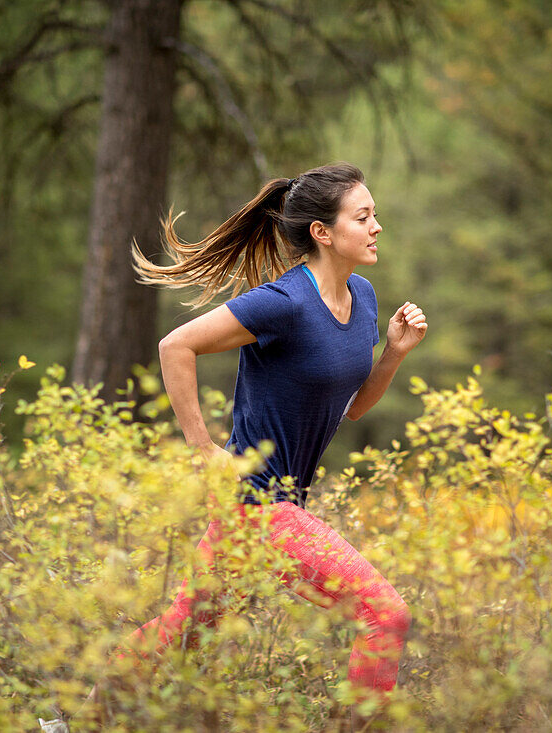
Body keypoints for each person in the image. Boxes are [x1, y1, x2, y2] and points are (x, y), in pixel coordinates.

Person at [42, 163, 427, 732]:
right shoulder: (283, 303)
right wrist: (204, 450)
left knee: (184, 633)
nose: (377, 227)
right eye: (363, 217)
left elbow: (354, 407)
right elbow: (175, 345)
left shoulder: (364, 298)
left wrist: (392, 354)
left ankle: (70, 722)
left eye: (374, 216)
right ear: (322, 232)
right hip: (258, 503)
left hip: (271, 508)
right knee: (386, 615)